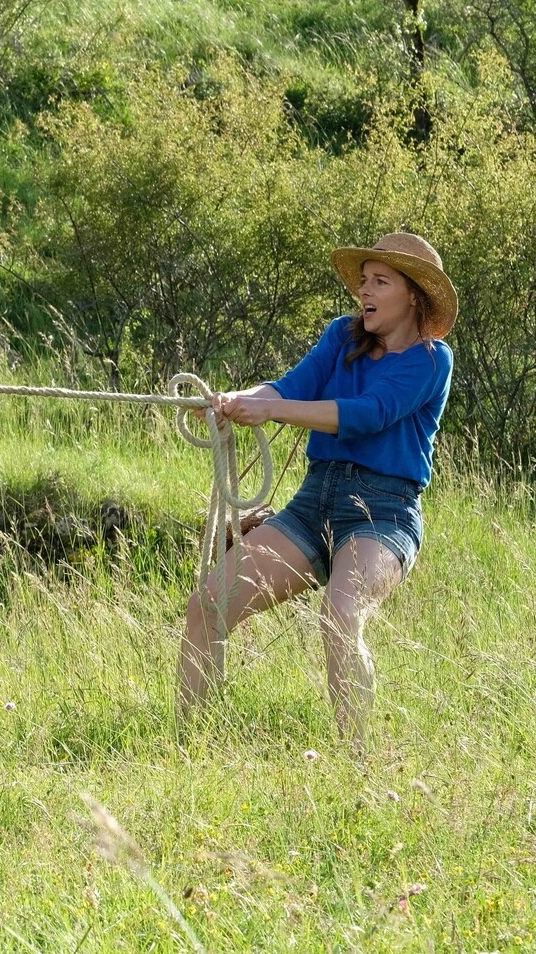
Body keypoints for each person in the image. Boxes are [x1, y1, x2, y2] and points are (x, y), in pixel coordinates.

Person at [177, 232, 455, 745]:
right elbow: (289, 388)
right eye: (364, 281)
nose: (364, 292)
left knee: (340, 613)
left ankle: (356, 765)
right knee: (208, 603)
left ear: (414, 295)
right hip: (313, 503)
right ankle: (190, 748)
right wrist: (241, 399)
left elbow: (369, 415)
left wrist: (271, 408)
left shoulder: (432, 359)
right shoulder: (340, 337)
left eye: (380, 282)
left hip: (384, 514)